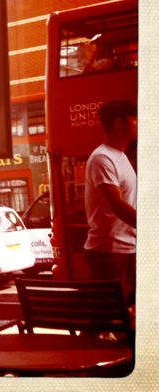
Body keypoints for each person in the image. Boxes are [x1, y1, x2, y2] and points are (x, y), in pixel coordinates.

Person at [84, 99, 137, 305]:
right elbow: (116, 204)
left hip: (126, 247)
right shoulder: (102, 158)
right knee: (104, 314)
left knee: (125, 313)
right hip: (108, 251)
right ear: (119, 123)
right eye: (136, 119)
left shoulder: (120, 157)